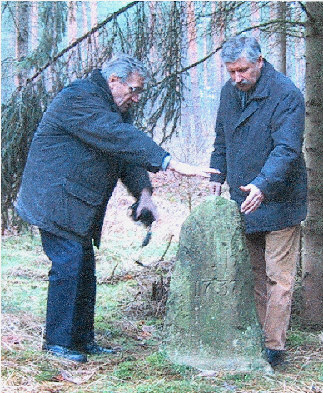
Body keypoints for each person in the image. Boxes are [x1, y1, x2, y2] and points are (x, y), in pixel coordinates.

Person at [16, 54, 218, 363]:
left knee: (83, 269)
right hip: (55, 199)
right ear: (113, 81)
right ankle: (57, 343)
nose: (136, 98)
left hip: (76, 203)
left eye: (140, 91)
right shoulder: (79, 97)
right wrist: (169, 162)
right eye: (134, 90)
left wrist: (145, 194)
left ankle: (81, 340)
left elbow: (124, 153)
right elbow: (118, 137)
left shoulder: (111, 108)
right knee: (69, 267)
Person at [209, 37, 307, 367]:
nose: (237, 77)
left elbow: (287, 150)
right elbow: (221, 138)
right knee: (253, 275)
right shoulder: (228, 92)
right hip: (242, 197)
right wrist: (215, 176)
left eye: (243, 70)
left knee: (279, 278)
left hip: (280, 199)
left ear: (260, 61)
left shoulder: (287, 94)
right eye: (231, 71)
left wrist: (263, 185)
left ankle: (274, 349)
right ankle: (258, 340)